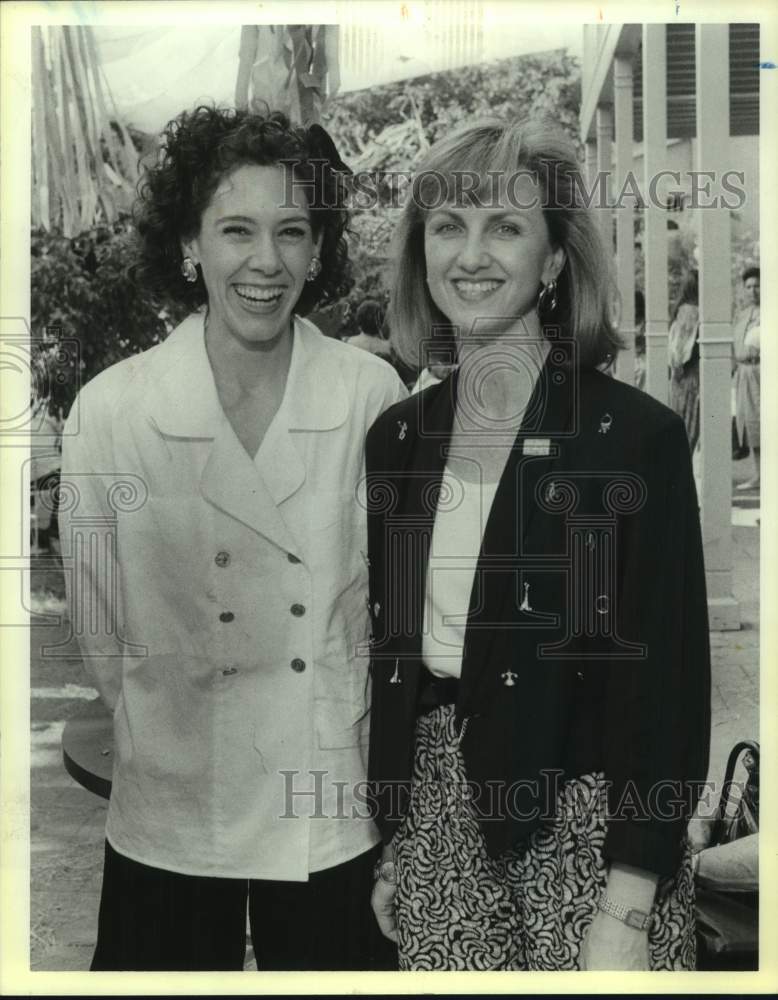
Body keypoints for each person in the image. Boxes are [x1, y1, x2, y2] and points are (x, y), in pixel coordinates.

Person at [59, 106, 405, 971]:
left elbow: (390, 608)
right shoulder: (111, 410)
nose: (266, 261)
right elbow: (101, 630)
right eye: (236, 229)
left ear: (320, 250)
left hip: (326, 802)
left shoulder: (369, 394)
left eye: (293, 231)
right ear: (190, 245)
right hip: (172, 800)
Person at [364, 118, 711, 971]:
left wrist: (630, 903)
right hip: (441, 823)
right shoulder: (397, 439)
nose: (470, 255)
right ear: (422, 253)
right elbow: (399, 657)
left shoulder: (632, 438)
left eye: (505, 228)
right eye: (448, 227)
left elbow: (665, 684)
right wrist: (397, 838)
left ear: (554, 260)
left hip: (593, 835)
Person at [732, 266, 760, 489]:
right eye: (749, 286)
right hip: (743, 373)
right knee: (749, 423)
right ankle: (758, 474)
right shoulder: (741, 315)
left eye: (757, 285)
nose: (753, 290)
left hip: (762, 370)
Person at [668, 270, 700, 452]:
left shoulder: (682, 309)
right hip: (690, 376)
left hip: (682, 377)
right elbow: (680, 350)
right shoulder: (690, 311)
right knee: (689, 429)